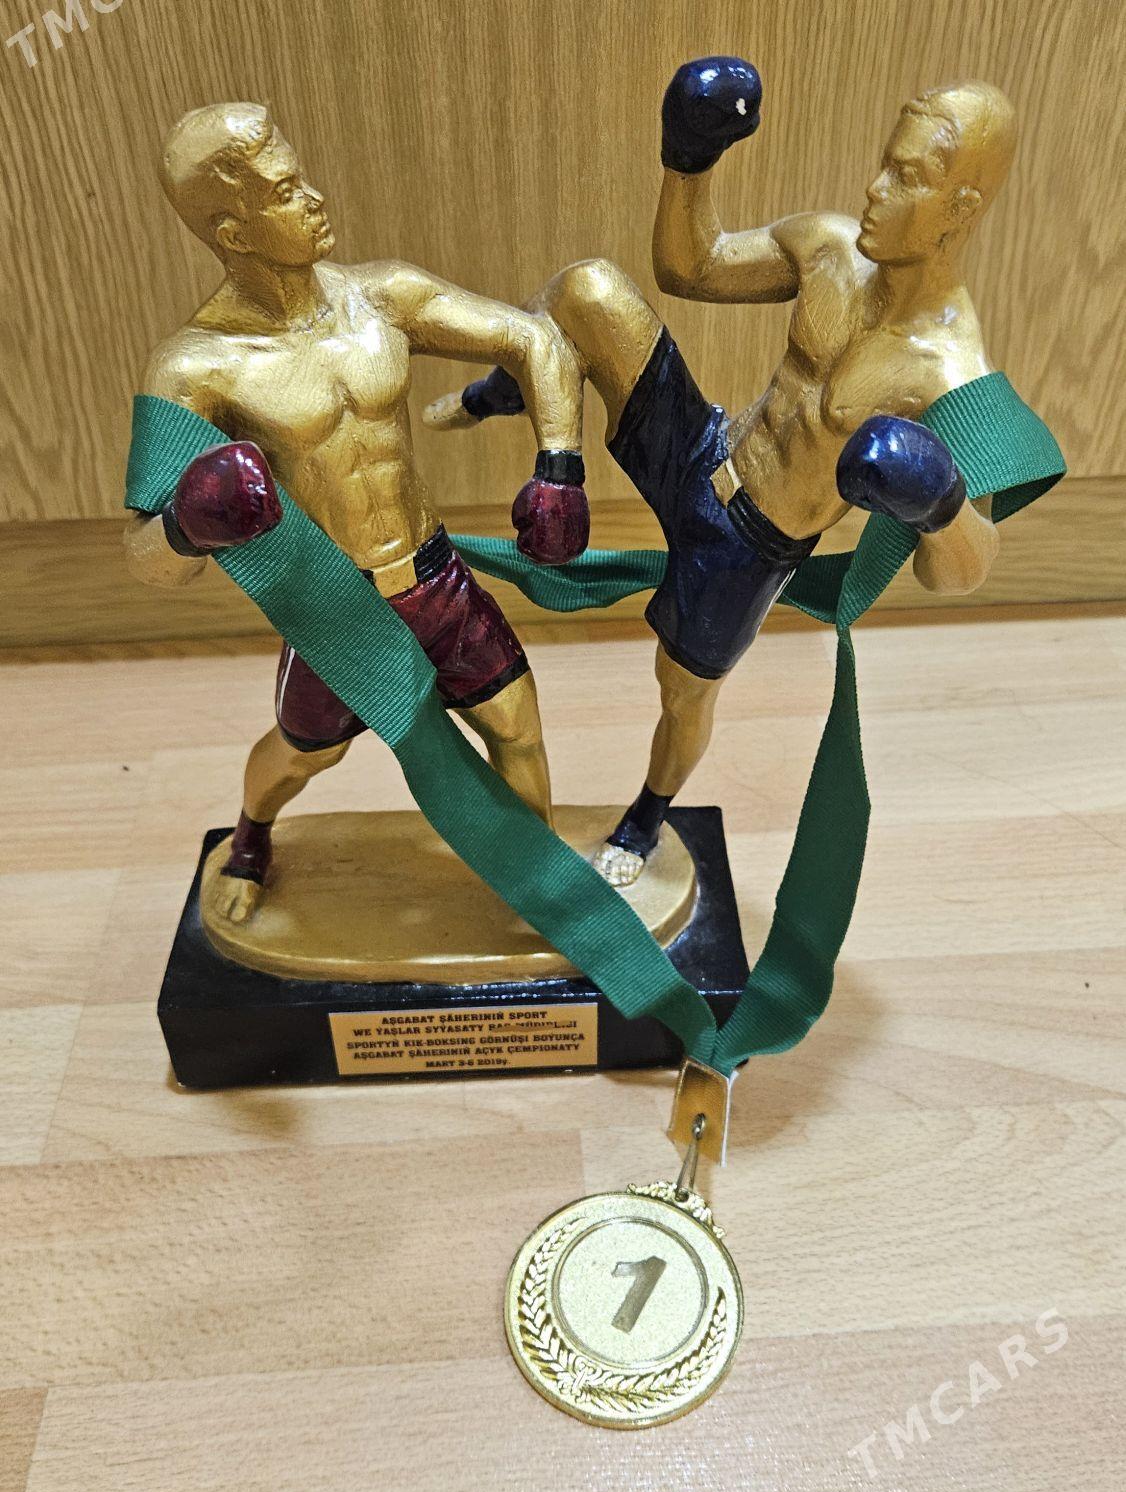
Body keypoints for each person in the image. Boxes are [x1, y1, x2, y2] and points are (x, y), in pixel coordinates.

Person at [427, 59, 1013, 887]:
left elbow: (968, 567)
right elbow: (691, 266)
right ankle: (508, 402)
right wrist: (689, 161)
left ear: (961, 207)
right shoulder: (830, 248)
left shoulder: (952, 372)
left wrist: (942, 502)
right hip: (704, 453)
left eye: (907, 178)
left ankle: (646, 816)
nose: (875, 189)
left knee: (683, 693)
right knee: (588, 291)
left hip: (749, 548)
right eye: (885, 162)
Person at [126, 102, 588, 921]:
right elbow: (145, 562)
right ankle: (249, 837)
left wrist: (560, 466)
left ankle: (542, 879)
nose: (314, 198)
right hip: (336, 611)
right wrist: (187, 524)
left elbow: (536, 340)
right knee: (302, 756)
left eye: (301, 176)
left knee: (517, 720)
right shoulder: (197, 368)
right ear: (233, 232)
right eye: (284, 191)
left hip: (434, 576)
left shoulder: (382, 297)